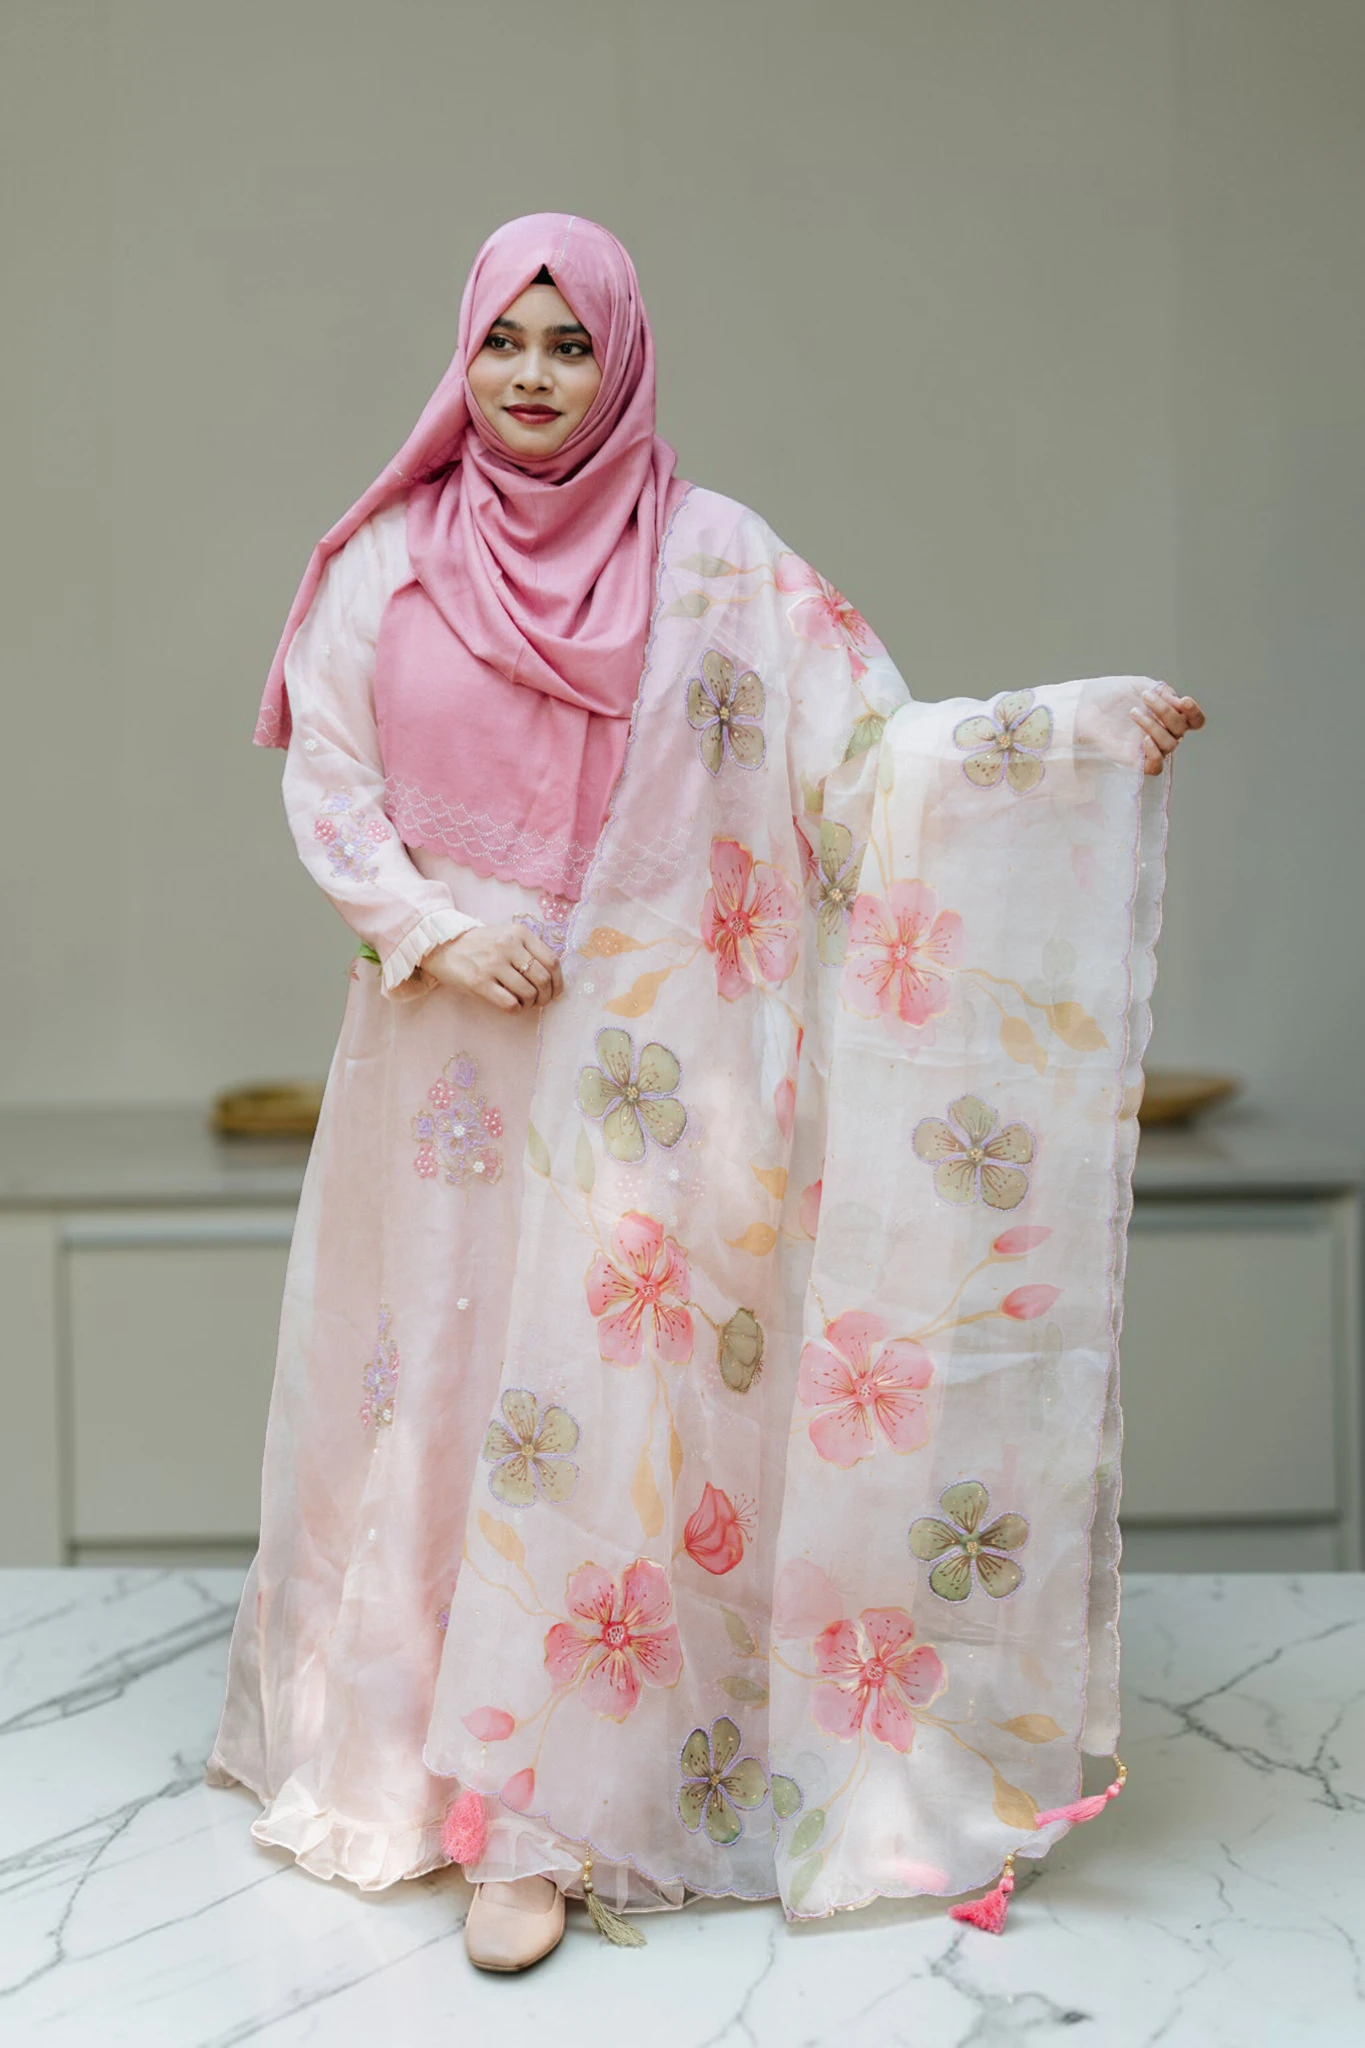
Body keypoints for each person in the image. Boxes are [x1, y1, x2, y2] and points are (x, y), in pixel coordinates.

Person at [206, 212, 1204, 1972]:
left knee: (600, 1408)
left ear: (623, 360)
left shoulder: (716, 562)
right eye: (504, 340)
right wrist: (435, 932)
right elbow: (332, 784)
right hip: (443, 1061)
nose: (532, 375)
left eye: (569, 343)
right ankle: (396, 1759)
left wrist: (1060, 737)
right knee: (434, 1384)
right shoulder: (388, 559)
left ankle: (539, 1811)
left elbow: (869, 757)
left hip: (645, 1080)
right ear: (463, 351)